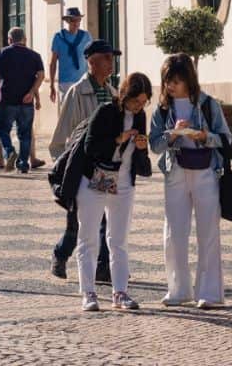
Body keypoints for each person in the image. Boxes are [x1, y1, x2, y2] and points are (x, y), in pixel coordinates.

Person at [149, 52, 232, 309]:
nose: (169, 86)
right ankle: (178, 290)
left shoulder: (208, 104)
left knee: (208, 231)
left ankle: (209, 293)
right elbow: (155, 145)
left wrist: (205, 137)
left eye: (175, 80)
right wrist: (172, 136)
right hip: (175, 172)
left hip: (206, 171)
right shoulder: (163, 110)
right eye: (166, 81)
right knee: (173, 232)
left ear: (188, 79)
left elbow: (226, 138)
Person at [75, 72, 152, 312]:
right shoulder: (106, 112)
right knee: (88, 238)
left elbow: (141, 156)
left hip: (125, 182)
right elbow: (90, 146)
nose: (139, 107)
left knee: (118, 240)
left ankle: (120, 292)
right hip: (96, 180)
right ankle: (88, 292)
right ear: (125, 95)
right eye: (136, 102)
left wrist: (141, 147)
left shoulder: (140, 117)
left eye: (144, 103)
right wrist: (118, 139)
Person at [49, 39, 119, 281]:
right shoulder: (77, 92)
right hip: (81, 167)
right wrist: (65, 169)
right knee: (76, 222)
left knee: (104, 219)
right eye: (107, 58)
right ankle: (60, 253)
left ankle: (103, 267)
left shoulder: (112, 93)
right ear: (92, 61)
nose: (111, 63)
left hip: (104, 168)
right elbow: (60, 138)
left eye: (112, 58)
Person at [0, 27, 44, 174]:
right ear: (24, 39)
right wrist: (32, 93)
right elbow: (41, 76)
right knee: (25, 134)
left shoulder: (2, 53)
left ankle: (9, 151)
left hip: (7, 100)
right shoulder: (35, 55)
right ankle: (23, 163)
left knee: (1, 128)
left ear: (9, 40)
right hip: (26, 102)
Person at [50, 8, 93, 104]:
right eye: (73, 20)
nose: (76, 23)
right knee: (67, 113)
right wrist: (52, 84)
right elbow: (53, 62)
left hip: (83, 81)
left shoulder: (86, 36)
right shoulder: (58, 37)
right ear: (67, 21)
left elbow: (92, 58)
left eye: (78, 20)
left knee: (84, 114)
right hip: (65, 82)